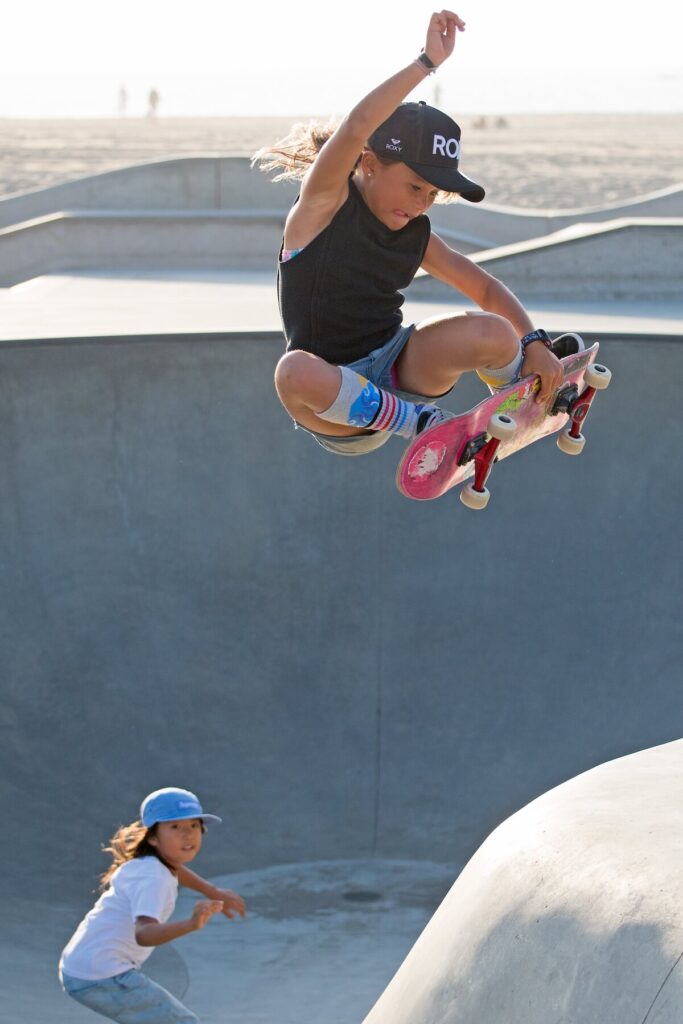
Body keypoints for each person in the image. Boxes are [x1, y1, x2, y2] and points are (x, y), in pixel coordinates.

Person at [254, 10, 581, 458]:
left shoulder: (414, 232)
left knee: (496, 333)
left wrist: (534, 342)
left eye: (431, 194)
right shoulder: (321, 208)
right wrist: (426, 62)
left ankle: (528, 388)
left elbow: (483, 285)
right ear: (368, 164)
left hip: (397, 365)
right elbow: (355, 127)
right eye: (413, 187)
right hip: (335, 405)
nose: (420, 205)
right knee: (291, 372)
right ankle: (419, 424)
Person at [59, 787, 246, 1024]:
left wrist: (212, 890)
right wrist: (190, 924)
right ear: (152, 837)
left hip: (85, 965)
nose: (188, 835)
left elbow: (176, 869)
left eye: (194, 826)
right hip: (102, 975)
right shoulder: (153, 879)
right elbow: (145, 934)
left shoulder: (150, 862)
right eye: (175, 827)